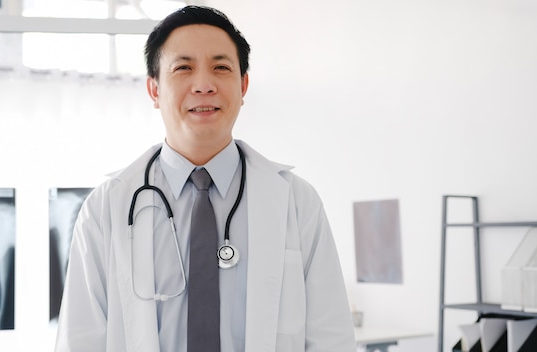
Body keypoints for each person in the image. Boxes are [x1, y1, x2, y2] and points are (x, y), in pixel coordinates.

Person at [54, 5, 356, 352]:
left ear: (243, 85)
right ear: (154, 89)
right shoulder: (105, 208)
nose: (204, 85)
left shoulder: (297, 203)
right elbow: (80, 340)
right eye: (183, 68)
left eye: (221, 67)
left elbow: (331, 339)